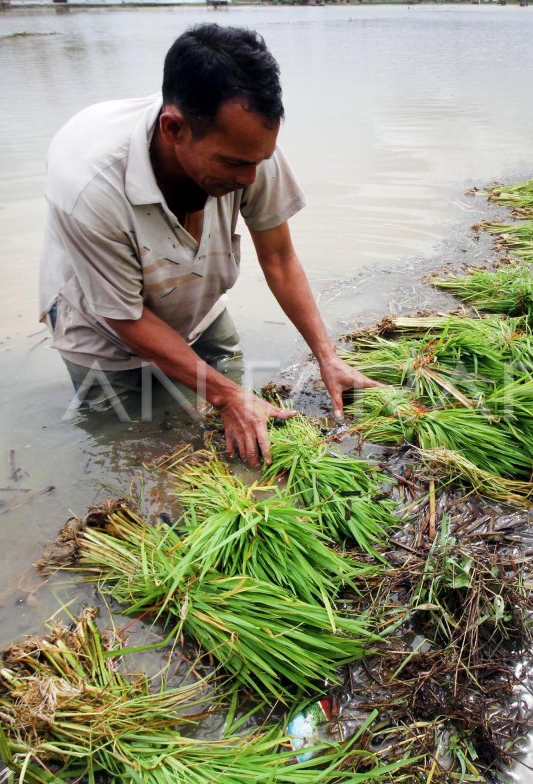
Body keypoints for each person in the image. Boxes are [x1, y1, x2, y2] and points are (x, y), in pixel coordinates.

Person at [38, 24, 379, 465]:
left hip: (195, 301)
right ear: (174, 128)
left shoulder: (249, 150)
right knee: (142, 455)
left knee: (243, 442)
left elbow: (278, 257)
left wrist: (327, 357)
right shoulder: (89, 186)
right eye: (235, 164)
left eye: (258, 161)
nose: (249, 180)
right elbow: (124, 315)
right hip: (106, 332)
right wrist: (225, 395)